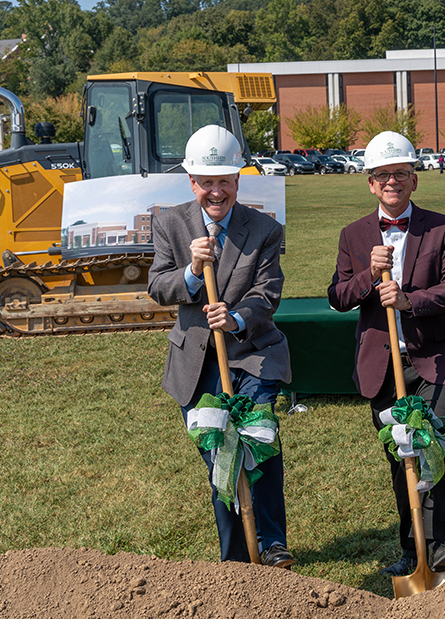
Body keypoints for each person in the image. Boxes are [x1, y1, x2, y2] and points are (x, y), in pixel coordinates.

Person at [147, 125, 295, 568]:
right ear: (192, 182)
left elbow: (267, 293)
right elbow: (158, 285)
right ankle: (235, 563)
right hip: (196, 363)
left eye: (224, 181)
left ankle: (270, 542)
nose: (216, 191)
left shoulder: (264, 229)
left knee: (257, 441)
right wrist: (193, 271)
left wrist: (234, 318)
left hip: (252, 355)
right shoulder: (169, 222)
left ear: (237, 181)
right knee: (221, 455)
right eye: (206, 182)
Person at [327, 130, 445, 577]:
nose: (392, 182)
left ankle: (440, 543)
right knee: (401, 451)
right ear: (370, 183)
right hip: (383, 364)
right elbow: (337, 297)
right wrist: (369, 276)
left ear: (414, 180)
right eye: (383, 175)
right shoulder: (353, 235)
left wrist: (409, 301)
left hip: (434, 359)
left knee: (436, 438)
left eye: (401, 174)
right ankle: (411, 549)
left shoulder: (442, 227)